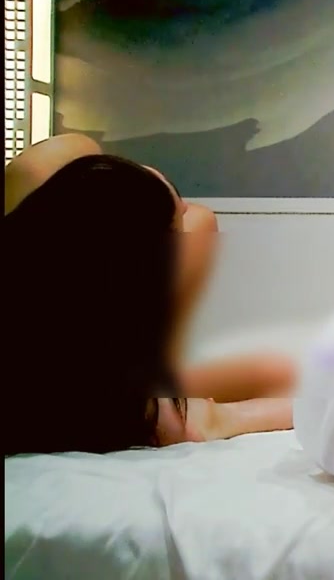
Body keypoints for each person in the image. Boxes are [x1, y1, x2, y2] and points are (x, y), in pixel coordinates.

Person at [3, 135, 294, 456]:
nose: (185, 209)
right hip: (114, 381)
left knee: (198, 219)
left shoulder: (46, 279)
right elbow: (220, 420)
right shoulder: (132, 407)